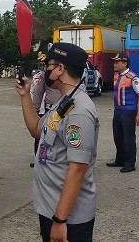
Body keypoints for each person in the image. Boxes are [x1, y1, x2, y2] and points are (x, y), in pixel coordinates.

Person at [16, 42, 99, 242]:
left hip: (68, 217)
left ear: (60, 69)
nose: (45, 70)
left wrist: (60, 220)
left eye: (48, 66)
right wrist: (25, 95)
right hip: (52, 208)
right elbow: (36, 130)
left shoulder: (79, 112)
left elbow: (77, 169)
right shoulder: (64, 103)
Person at [106, 53, 139, 173]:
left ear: (125, 63)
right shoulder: (116, 76)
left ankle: (130, 163)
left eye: (117, 62)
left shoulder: (133, 77)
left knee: (128, 138)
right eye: (114, 62)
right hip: (118, 111)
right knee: (118, 136)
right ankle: (120, 159)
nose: (115, 64)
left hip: (129, 111)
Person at [30, 51, 62, 168]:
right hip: (48, 110)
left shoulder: (65, 76)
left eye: (46, 64)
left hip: (64, 110)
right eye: (42, 64)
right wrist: (35, 111)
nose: (44, 66)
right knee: (41, 136)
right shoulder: (43, 76)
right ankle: (40, 158)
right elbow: (38, 94)